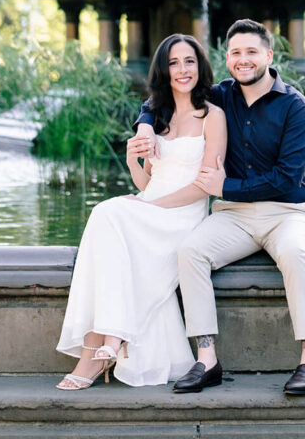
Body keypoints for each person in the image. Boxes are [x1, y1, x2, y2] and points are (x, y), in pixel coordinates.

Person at [136, 19, 305, 396]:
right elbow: (167, 95)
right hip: (234, 215)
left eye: (251, 52)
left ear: (268, 56)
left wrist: (226, 186)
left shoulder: (295, 106)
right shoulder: (221, 96)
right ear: (227, 59)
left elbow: (287, 179)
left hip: (286, 212)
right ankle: (206, 359)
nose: (243, 60)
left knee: (292, 252)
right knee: (190, 251)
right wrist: (144, 124)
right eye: (235, 53)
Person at [56, 34, 227, 390]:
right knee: (106, 215)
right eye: (174, 63)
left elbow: (204, 187)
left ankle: (98, 350)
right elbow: (146, 182)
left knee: (109, 212)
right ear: (163, 71)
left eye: (189, 61)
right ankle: (106, 342)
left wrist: (149, 205)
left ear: (201, 66)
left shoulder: (213, 116)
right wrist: (133, 158)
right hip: (151, 206)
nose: (183, 70)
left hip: (183, 213)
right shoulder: (157, 116)